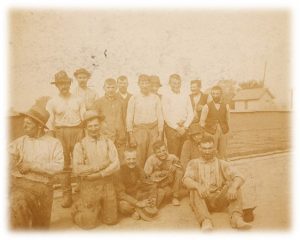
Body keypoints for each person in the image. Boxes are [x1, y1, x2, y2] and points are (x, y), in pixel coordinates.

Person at [9, 105, 64, 229]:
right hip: (19, 184)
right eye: (24, 123)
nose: (24, 127)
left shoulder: (53, 143)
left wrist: (32, 166)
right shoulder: (20, 141)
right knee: (15, 205)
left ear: (39, 126)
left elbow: (59, 166)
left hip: (42, 187)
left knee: (40, 227)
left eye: (28, 123)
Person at [182, 136, 252, 231]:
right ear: (199, 148)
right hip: (203, 199)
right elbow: (186, 179)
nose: (207, 151)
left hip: (219, 199)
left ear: (214, 148)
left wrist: (233, 187)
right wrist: (198, 186)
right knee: (194, 190)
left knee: (235, 185)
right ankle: (206, 221)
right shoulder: (193, 163)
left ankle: (236, 218)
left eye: (210, 148)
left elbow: (239, 176)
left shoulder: (221, 163)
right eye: (204, 148)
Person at [71, 110, 120, 229]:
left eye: (96, 125)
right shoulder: (80, 145)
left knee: (111, 220)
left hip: (107, 183)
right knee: (88, 224)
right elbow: (77, 169)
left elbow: (116, 164)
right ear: (86, 128)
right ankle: (77, 208)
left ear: (100, 125)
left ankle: (101, 207)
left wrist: (100, 174)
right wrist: (100, 166)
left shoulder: (108, 142)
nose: (93, 129)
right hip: (89, 185)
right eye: (90, 126)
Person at [46, 70, 85, 208]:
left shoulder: (79, 99)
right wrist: (52, 139)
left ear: (69, 83)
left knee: (80, 162)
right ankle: (66, 194)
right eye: (60, 84)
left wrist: (84, 134)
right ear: (56, 86)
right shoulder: (52, 102)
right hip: (60, 132)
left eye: (66, 83)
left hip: (77, 131)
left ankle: (81, 192)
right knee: (64, 165)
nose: (63, 86)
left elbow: (84, 117)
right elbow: (50, 122)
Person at [126, 74, 164, 167]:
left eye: (147, 83)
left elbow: (160, 116)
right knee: (139, 155)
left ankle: (151, 177)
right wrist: (131, 136)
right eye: (142, 83)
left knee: (153, 155)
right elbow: (129, 117)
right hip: (139, 130)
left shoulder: (155, 98)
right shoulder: (134, 98)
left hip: (153, 130)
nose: (144, 85)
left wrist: (160, 134)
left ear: (150, 84)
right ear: (138, 84)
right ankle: (140, 177)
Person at [116, 148, 158, 221]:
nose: (131, 161)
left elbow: (147, 182)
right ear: (123, 160)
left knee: (159, 192)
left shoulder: (138, 168)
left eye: (133, 159)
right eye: (128, 159)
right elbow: (121, 194)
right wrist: (137, 203)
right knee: (123, 206)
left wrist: (153, 197)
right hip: (127, 198)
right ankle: (135, 211)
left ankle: (144, 208)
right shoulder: (119, 172)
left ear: (136, 159)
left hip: (138, 194)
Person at [92, 78, 126, 164]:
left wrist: (124, 135)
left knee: (120, 162)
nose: (110, 90)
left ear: (116, 88)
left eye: (113, 87)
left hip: (120, 138)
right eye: (108, 87)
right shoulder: (98, 103)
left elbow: (125, 119)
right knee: (105, 161)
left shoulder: (121, 102)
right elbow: (94, 121)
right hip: (105, 137)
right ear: (104, 88)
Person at [161, 74, 194, 157]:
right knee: (173, 153)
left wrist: (185, 126)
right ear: (170, 84)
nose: (176, 85)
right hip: (172, 128)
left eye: (178, 83)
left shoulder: (185, 95)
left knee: (185, 152)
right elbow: (166, 115)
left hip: (185, 127)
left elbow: (191, 112)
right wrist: (177, 128)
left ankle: (183, 169)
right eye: (174, 83)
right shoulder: (166, 96)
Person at [144, 140, 184, 206]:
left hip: (169, 181)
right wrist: (158, 173)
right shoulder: (151, 160)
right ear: (154, 153)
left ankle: (175, 197)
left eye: (164, 150)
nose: (162, 153)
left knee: (179, 172)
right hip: (157, 183)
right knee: (166, 194)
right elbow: (146, 176)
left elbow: (180, 165)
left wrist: (175, 166)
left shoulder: (172, 157)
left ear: (166, 149)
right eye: (159, 152)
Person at [200, 85, 230, 160]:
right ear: (211, 94)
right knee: (211, 151)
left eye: (217, 93)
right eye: (213, 94)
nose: (215, 96)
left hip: (223, 131)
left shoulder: (226, 105)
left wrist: (226, 131)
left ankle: (222, 167)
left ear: (221, 94)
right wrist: (207, 133)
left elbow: (228, 119)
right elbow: (202, 122)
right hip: (210, 132)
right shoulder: (206, 106)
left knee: (222, 152)